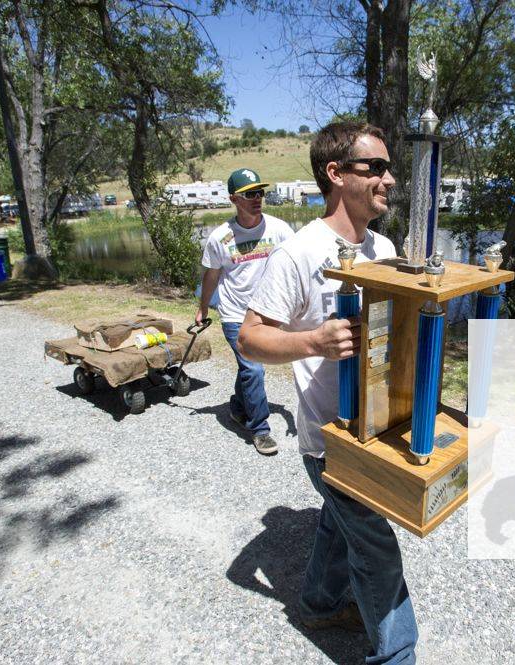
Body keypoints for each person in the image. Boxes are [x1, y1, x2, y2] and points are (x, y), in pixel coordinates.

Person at [238, 122, 417, 663]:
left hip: (378, 427)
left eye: (389, 167)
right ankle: (397, 656)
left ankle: (318, 603)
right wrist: (313, 339)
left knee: (341, 527)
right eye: (375, 168)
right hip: (331, 438)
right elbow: (249, 337)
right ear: (335, 175)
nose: (389, 179)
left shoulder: (384, 246)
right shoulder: (298, 252)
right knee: (379, 550)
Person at [196, 167, 294, 456]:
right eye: (249, 194)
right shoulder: (220, 237)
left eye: (260, 192)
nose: (257, 198)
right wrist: (202, 308)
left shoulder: (279, 229)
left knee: (248, 368)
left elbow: (295, 264)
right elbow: (211, 276)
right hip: (234, 313)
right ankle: (260, 429)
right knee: (253, 367)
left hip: (267, 313)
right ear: (233, 199)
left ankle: (238, 406)